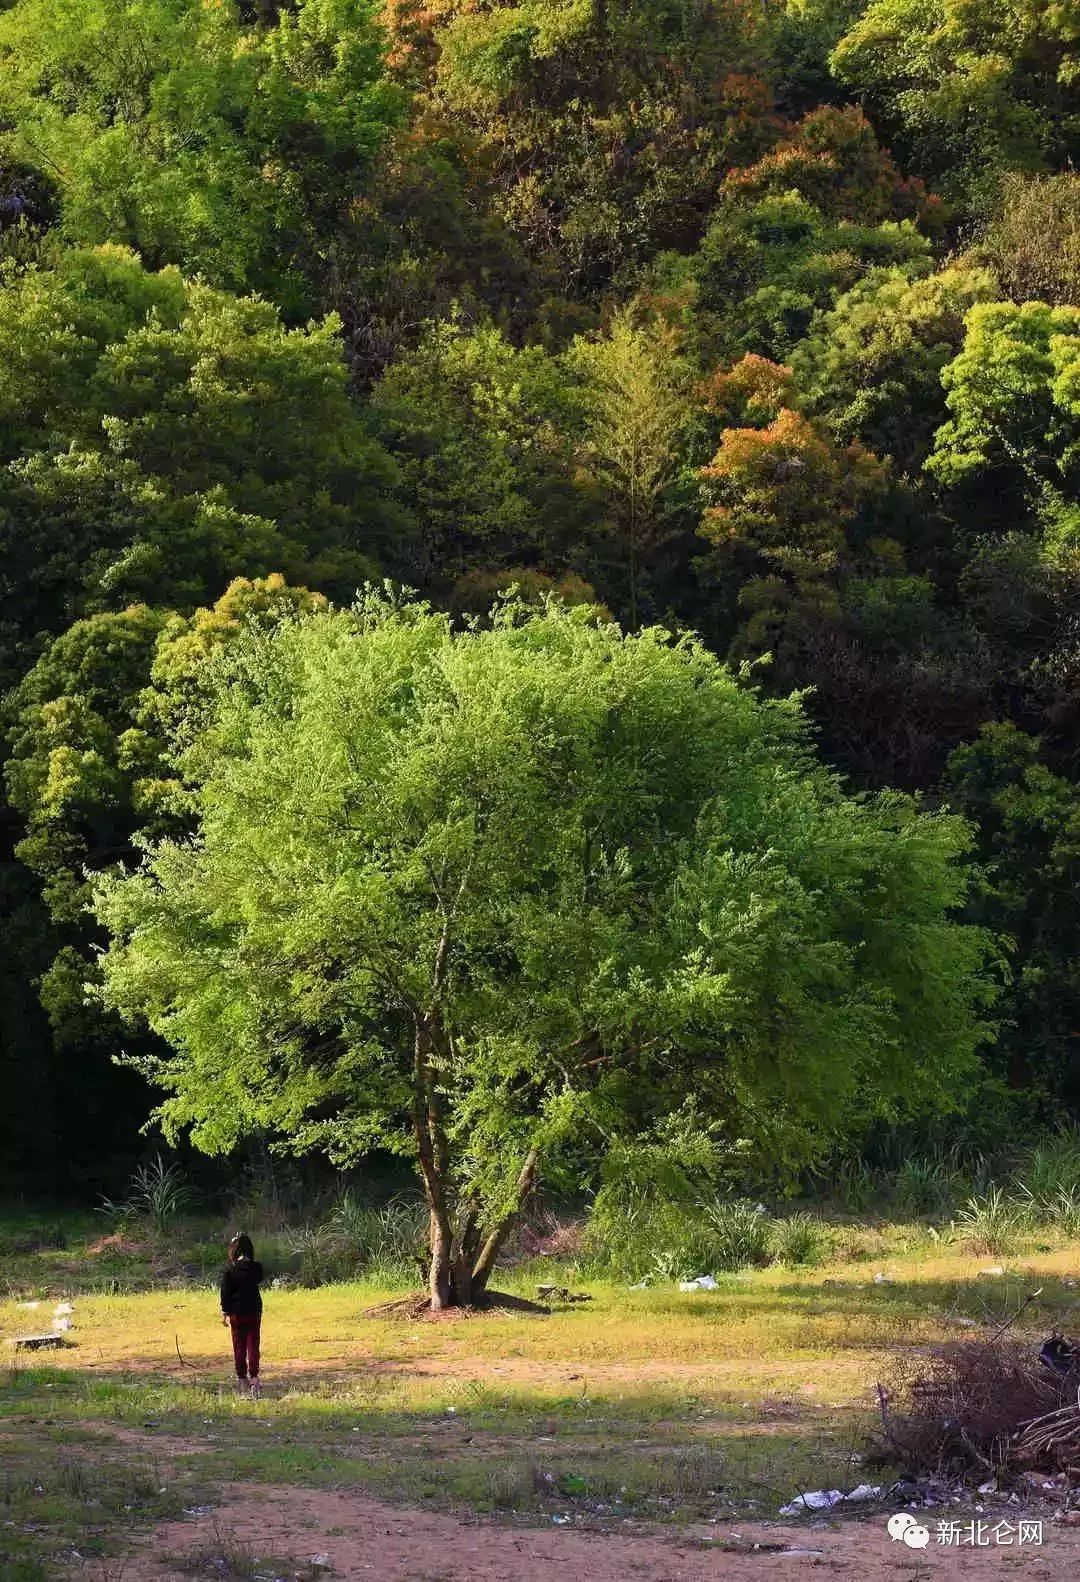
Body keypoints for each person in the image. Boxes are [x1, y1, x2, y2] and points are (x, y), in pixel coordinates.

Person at [220, 1232, 264, 1397]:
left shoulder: (230, 1271)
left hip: (236, 1314)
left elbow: (225, 1294)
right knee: (253, 1344)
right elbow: (258, 1279)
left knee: (239, 1345)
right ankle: (254, 1377)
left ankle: (241, 1379)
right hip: (254, 1311)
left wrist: (225, 1312)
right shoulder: (257, 1268)